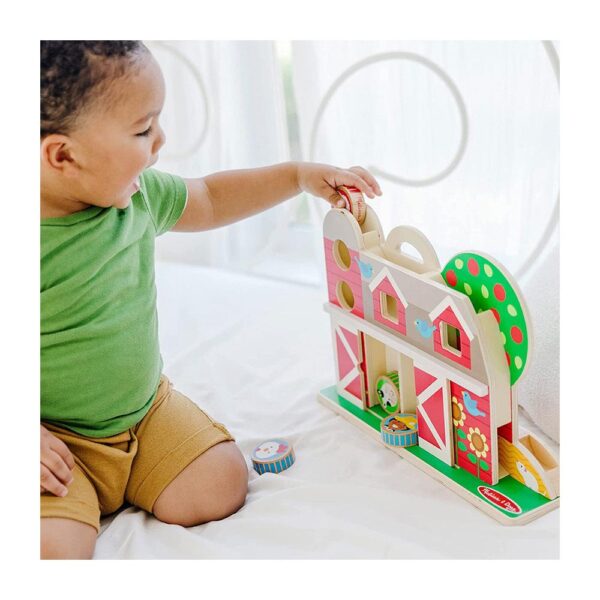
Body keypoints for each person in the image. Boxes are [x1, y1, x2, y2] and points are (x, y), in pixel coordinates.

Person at [40, 40, 382, 559]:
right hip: (56, 440)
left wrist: (297, 176)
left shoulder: (137, 196)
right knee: (54, 553)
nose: (161, 140)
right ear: (64, 155)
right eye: (143, 130)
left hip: (144, 412)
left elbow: (210, 196)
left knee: (221, 483)